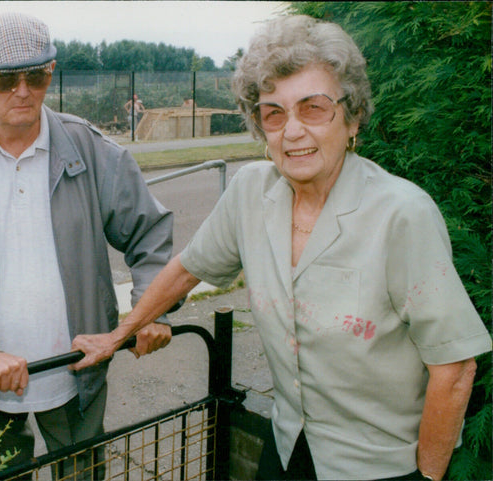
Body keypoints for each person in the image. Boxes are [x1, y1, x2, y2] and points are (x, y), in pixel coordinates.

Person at [70, 14, 492, 481]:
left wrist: (426, 479)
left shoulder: (401, 214)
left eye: (313, 108)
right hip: (288, 444)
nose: (292, 131)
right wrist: (118, 334)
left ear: (352, 118)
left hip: (377, 466)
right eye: (274, 113)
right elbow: (186, 269)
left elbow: (454, 368)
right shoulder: (251, 191)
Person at [0, 12, 175, 478]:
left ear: (51, 71)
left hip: (76, 368)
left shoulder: (90, 150)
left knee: (82, 474)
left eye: (37, 74)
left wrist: (151, 311)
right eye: (8, 78)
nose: (24, 90)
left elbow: (149, 232)